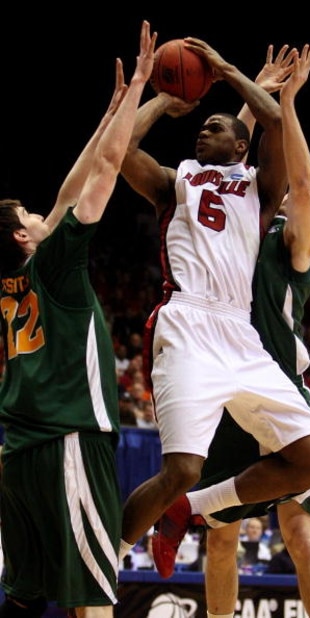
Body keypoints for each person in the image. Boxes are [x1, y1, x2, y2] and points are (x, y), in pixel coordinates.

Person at [118, 36, 310, 578]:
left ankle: (190, 510)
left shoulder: (261, 192)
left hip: (240, 335)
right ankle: (107, 560)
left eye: (218, 127)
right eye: (202, 125)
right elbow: (120, 152)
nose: (204, 129)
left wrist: (227, 70)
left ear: (240, 148)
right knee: (182, 468)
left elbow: (275, 127)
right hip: (187, 321)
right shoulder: (176, 183)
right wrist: (165, 100)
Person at [0, 20, 157, 618]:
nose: (45, 212)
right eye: (31, 213)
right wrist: (140, 83)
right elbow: (104, 173)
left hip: (19, 453)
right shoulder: (56, 268)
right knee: (91, 600)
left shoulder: (12, 276)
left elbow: (70, 190)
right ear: (23, 235)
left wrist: (110, 110)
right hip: (68, 440)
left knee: (24, 597)